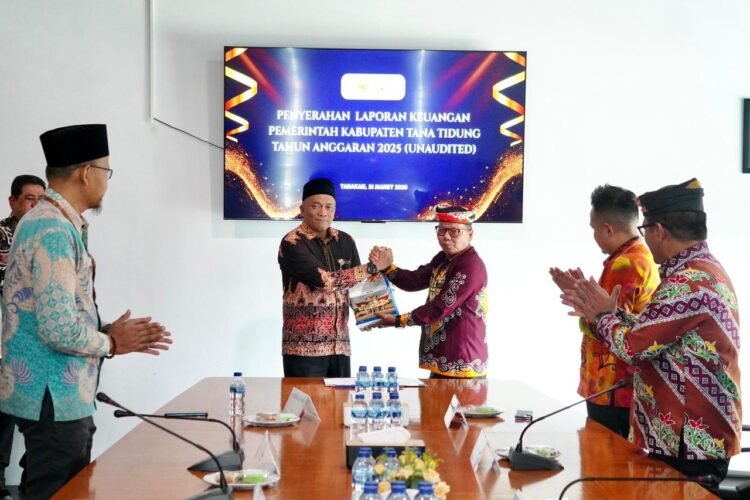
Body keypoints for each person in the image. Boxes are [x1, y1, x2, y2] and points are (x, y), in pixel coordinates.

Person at [0, 124, 172, 499]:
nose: (106, 182)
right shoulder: (53, 230)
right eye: (106, 171)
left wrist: (108, 331)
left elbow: (50, 311)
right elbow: (58, 330)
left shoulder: (49, 221)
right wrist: (112, 342)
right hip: (53, 395)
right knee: (57, 493)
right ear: (86, 173)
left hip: (54, 394)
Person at [561, 178, 742, 487]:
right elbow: (655, 332)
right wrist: (613, 314)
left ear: (658, 230)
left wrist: (600, 316)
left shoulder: (688, 282)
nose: (644, 238)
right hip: (686, 435)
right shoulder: (701, 270)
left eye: (645, 230)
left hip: (689, 439)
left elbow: (633, 348)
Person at [549, 185, 659, 438]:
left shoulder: (625, 264)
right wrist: (582, 296)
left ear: (608, 228)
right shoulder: (639, 256)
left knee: (604, 458)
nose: (594, 235)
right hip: (618, 385)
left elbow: (611, 328)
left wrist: (581, 303)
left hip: (613, 387)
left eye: (594, 228)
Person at [278, 178, 390, 377]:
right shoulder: (292, 242)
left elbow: (358, 284)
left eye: (329, 207)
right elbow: (326, 282)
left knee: (341, 398)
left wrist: (371, 317)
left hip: (340, 346)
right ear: (302, 209)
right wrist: (373, 267)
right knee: (304, 399)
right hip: (303, 349)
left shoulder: (345, 240)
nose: (323, 212)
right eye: (316, 206)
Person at [371, 205, 488, 378]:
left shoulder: (470, 265)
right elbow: (414, 281)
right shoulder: (443, 259)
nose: (446, 236)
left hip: (462, 361)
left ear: (470, 234)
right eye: (441, 230)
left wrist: (399, 320)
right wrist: (387, 268)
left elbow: (441, 307)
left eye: (454, 231)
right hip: (444, 357)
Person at [0, 174, 46, 500]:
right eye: (30, 199)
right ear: (13, 201)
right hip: (5, 340)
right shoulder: (2, 233)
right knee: (2, 417)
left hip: (36, 342)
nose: (36, 206)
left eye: (41, 200)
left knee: (39, 416)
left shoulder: (48, 234)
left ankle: (34, 479)